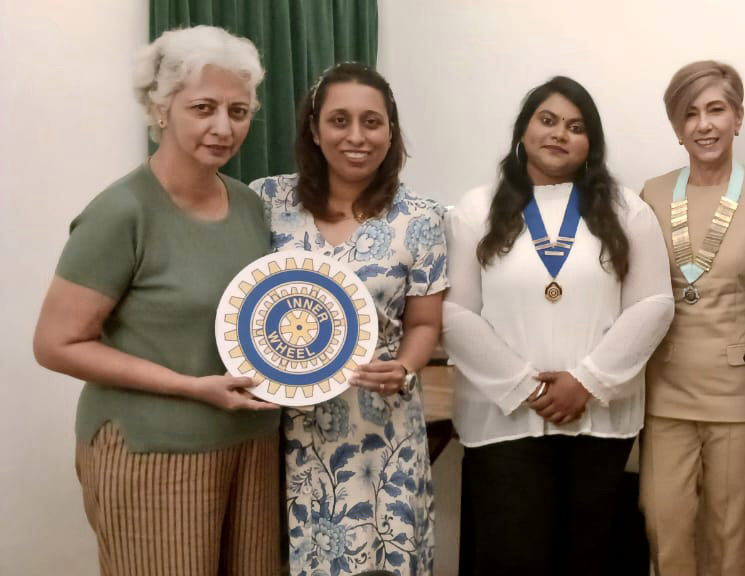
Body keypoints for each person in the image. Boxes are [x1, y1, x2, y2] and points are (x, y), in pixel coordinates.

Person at [32, 26, 280, 575]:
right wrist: (190, 387)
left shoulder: (249, 206)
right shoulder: (121, 212)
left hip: (251, 447)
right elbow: (54, 344)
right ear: (161, 108)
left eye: (239, 111)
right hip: (153, 451)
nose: (224, 127)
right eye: (204, 108)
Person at [442, 76, 674, 576]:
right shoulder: (476, 209)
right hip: (502, 419)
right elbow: (455, 313)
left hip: (598, 418)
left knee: (587, 558)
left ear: (591, 143)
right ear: (523, 130)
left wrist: (586, 381)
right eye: (547, 120)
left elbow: (653, 304)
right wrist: (525, 386)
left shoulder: (625, 209)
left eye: (575, 126)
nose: (559, 134)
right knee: (511, 558)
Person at [249, 62, 448, 575]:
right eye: (339, 120)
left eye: (372, 122)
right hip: (287, 430)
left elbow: (425, 323)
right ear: (314, 131)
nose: (356, 136)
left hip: (383, 429)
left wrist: (404, 367)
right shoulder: (265, 201)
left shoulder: (421, 217)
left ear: (391, 132)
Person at [636, 60, 745, 576]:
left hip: (740, 391)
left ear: (738, 118)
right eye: (690, 114)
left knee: (731, 532)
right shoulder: (651, 194)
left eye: (716, 110)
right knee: (664, 525)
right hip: (665, 386)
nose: (703, 125)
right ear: (677, 127)